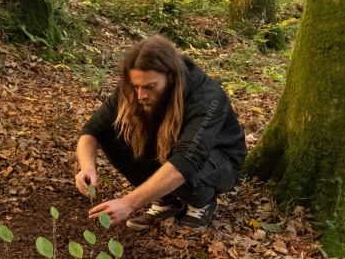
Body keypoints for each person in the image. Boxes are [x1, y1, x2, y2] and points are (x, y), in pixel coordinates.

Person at [75, 34, 247, 230]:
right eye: (136, 86)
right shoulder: (134, 89)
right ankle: (167, 200)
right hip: (172, 150)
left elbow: (187, 160)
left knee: (186, 163)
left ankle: (202, 202)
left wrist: (129, 203)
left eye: (149, 87)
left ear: (171, 77)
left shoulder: (207, 97)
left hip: (219, 161)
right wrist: (87, 167)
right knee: (110, 134)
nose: (141, 95)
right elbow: (92, 130)